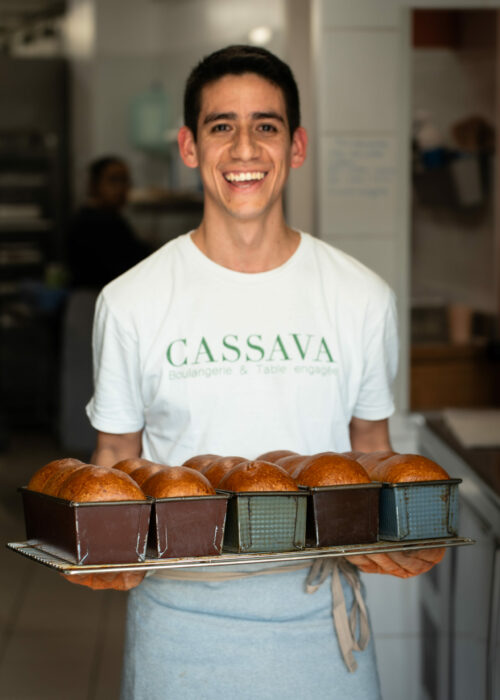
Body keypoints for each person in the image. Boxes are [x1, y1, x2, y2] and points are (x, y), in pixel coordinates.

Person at [74, 45, 444, 699]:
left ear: (296, 146)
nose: (245, 148)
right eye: (222, 127)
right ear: (190, 147)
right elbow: (114, 467)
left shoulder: (361, 297)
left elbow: (374, 458)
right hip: (178, 632)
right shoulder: (130, 301)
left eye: (265, 126)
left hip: (322, 629)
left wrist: (400, 533)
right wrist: (98, 553)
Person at [67, 156, 150, 289]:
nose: (122, 188)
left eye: (125, 181)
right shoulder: (94, 223)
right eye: (114, 180)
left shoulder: (113, 219)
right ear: (93, 185)